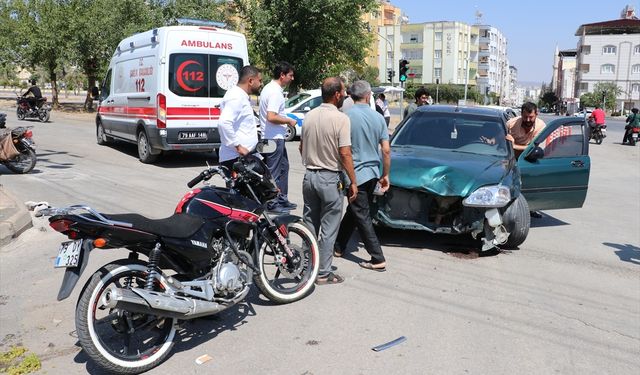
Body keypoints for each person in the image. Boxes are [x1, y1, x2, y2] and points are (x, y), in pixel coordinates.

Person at [299, 77, 357, 285]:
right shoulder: (341, 119)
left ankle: (306, 267)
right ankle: (323, 272)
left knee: (309, 225)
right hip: (330, 178)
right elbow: (345, 153)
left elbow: (301, 147)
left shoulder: (310, 115)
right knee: (329, 227)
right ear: (337, 94)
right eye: (343, 91)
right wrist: (353, 181)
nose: (345, 95)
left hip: (309, 176)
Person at [334, 80, 390, 272]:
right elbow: (386, 150)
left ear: (351, 95)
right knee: (355, 210)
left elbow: (343, 151)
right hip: (373, 173)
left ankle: (377, 257)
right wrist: (385, 175)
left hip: (354, 174)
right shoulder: (378, 118)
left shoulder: (345, 117)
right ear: (368, 96)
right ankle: (339, 246)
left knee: (361, 213)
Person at [259, 61, 298, 212]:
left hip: (271, 137)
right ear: (282, 75)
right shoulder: (275, 92)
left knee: (283, 168)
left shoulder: (269, 88)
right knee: (274, 171)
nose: (292, 78)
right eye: (290, 75)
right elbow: (271, 116)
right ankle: (272, 203)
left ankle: (281, 199)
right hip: (273, 138)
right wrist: (288, 120)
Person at [218, 66, 263, 171]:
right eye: (260, 80)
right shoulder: (236, 97)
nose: (261, 84)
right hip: (237, 159)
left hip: (242, 158)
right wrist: (238, 147)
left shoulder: (240, 96)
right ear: (250, 81)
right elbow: (224, 123)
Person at [505, 101, 546, 218]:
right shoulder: (511, 124)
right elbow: (503, 141)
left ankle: (531, 208)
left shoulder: (541, 126)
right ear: (521, 115)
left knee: (531, 183)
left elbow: (533, 147)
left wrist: (514, 145)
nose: (528, 120)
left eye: (531, 117)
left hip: (529, 157)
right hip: (511, 158)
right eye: (525, 117)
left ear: (536, 114)